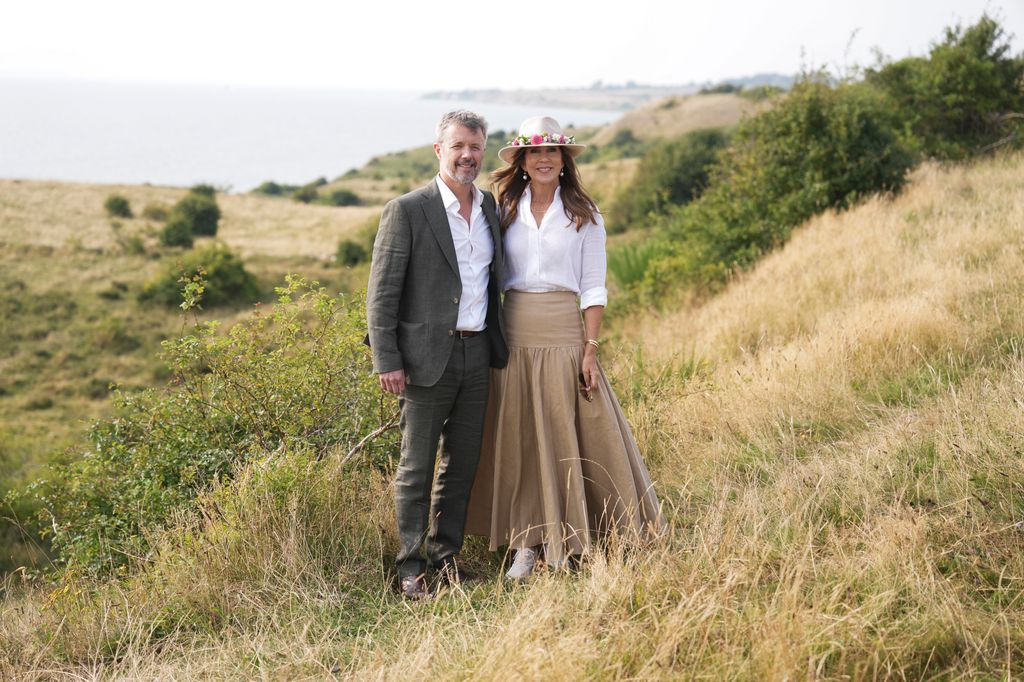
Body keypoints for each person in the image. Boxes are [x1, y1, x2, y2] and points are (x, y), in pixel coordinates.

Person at [466, 116, 664, 579]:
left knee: (568, 433)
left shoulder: (584, 214)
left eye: (552, 151)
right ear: (521, 161)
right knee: (521, 439)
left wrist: (590, 348)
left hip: (563, 332)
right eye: (535, 152)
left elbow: (593, 288)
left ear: (564, 160)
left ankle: (580, 536)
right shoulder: (503, 208)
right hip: (512, 332)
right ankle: (527, 544)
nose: (543, 159)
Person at [366, 110, 508, 600]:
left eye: (475, 147)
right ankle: (410, 567)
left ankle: (447, 559)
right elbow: (381, 295)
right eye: (458, 146)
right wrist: (387, 360)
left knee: (462, 464)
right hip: (425, 359)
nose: (467, 155)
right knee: (417, 466)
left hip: (478, 354)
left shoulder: (490, 208)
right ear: (439, 150)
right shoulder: (407, 210)